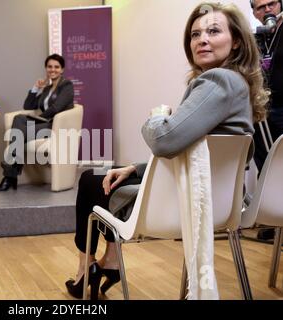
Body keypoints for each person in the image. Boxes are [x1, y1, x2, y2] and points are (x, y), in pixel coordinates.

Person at [65, 2, 268, 300]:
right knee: (111, 176)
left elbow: (164, 139)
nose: (202, 39)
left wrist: (158, 115)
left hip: (183, 203)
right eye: (195, 34)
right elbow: (197, 154)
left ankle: (87, 268)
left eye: (213, 31)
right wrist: (135, 168)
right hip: (213, 201)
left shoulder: (217, 80)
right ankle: (108, 261)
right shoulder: (237, 84)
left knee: (90, 180)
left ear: (236, 40)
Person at [0, 54, 74, 191]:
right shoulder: (47, 89)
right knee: (18, 118)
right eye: (49, 67)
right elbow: (28, 106)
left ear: (62, 69)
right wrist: (36, 88)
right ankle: (12, 171)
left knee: (18, 133)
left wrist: (39, 118)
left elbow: (56, 108)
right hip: (43, 123)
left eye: (56, 67)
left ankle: (10, 175)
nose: (52, 69)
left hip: (54, 126)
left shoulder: (67, 85)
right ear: (46, 68)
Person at [251, 0, 283, 171]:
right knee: (266, 167)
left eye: (272, 4)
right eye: (261, 7)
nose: (268, 9)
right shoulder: (254, 39)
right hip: (261, 112)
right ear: (255, 13)